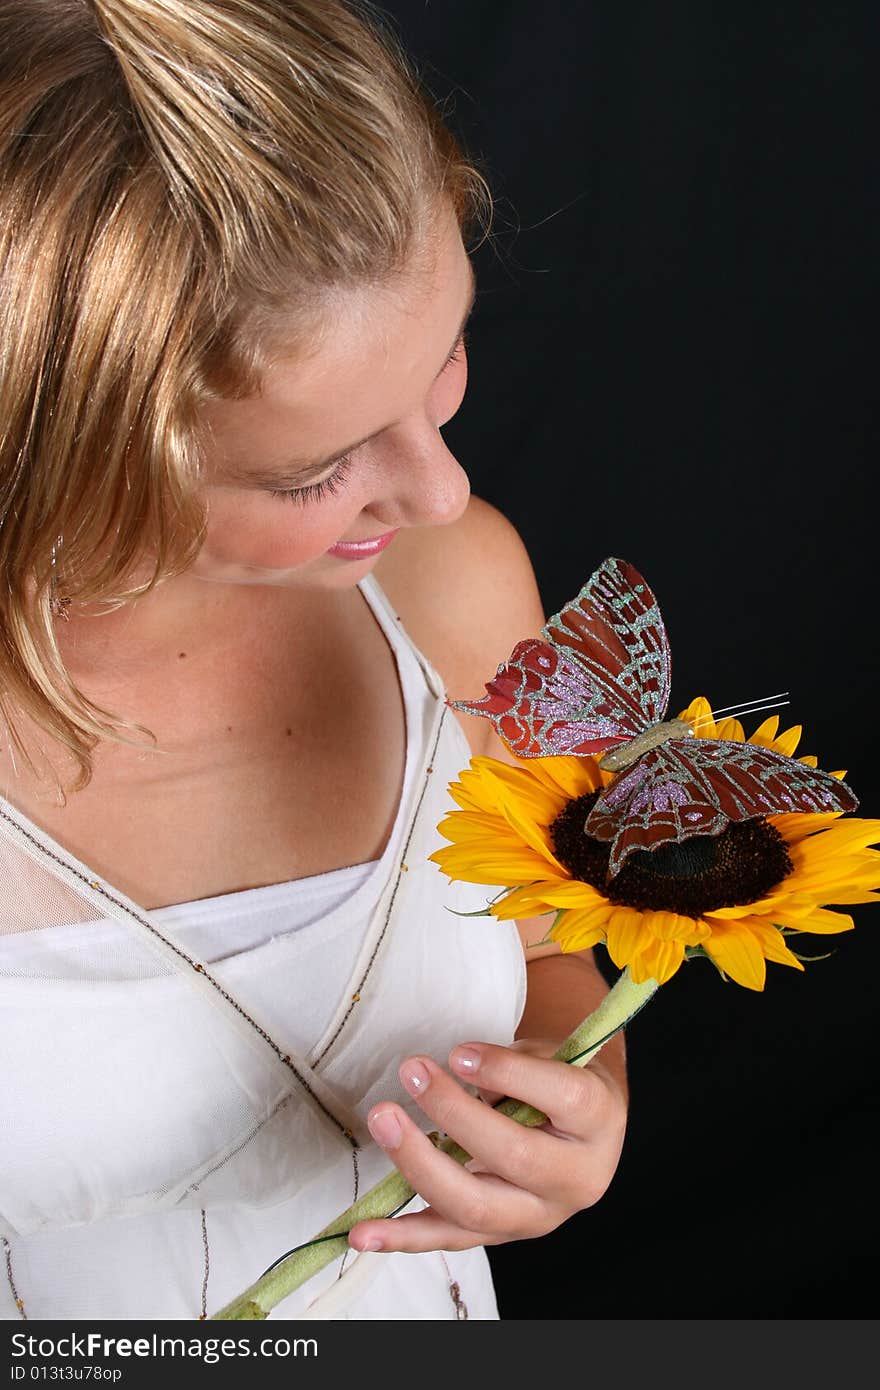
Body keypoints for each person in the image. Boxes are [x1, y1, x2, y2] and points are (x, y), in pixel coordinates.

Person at [0, 0, 628, 1321]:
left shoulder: (455, 590)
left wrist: (575, 1095)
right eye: (317, 465)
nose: (443, 492)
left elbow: (558, 936)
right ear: (68, 463)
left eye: (445, 357)